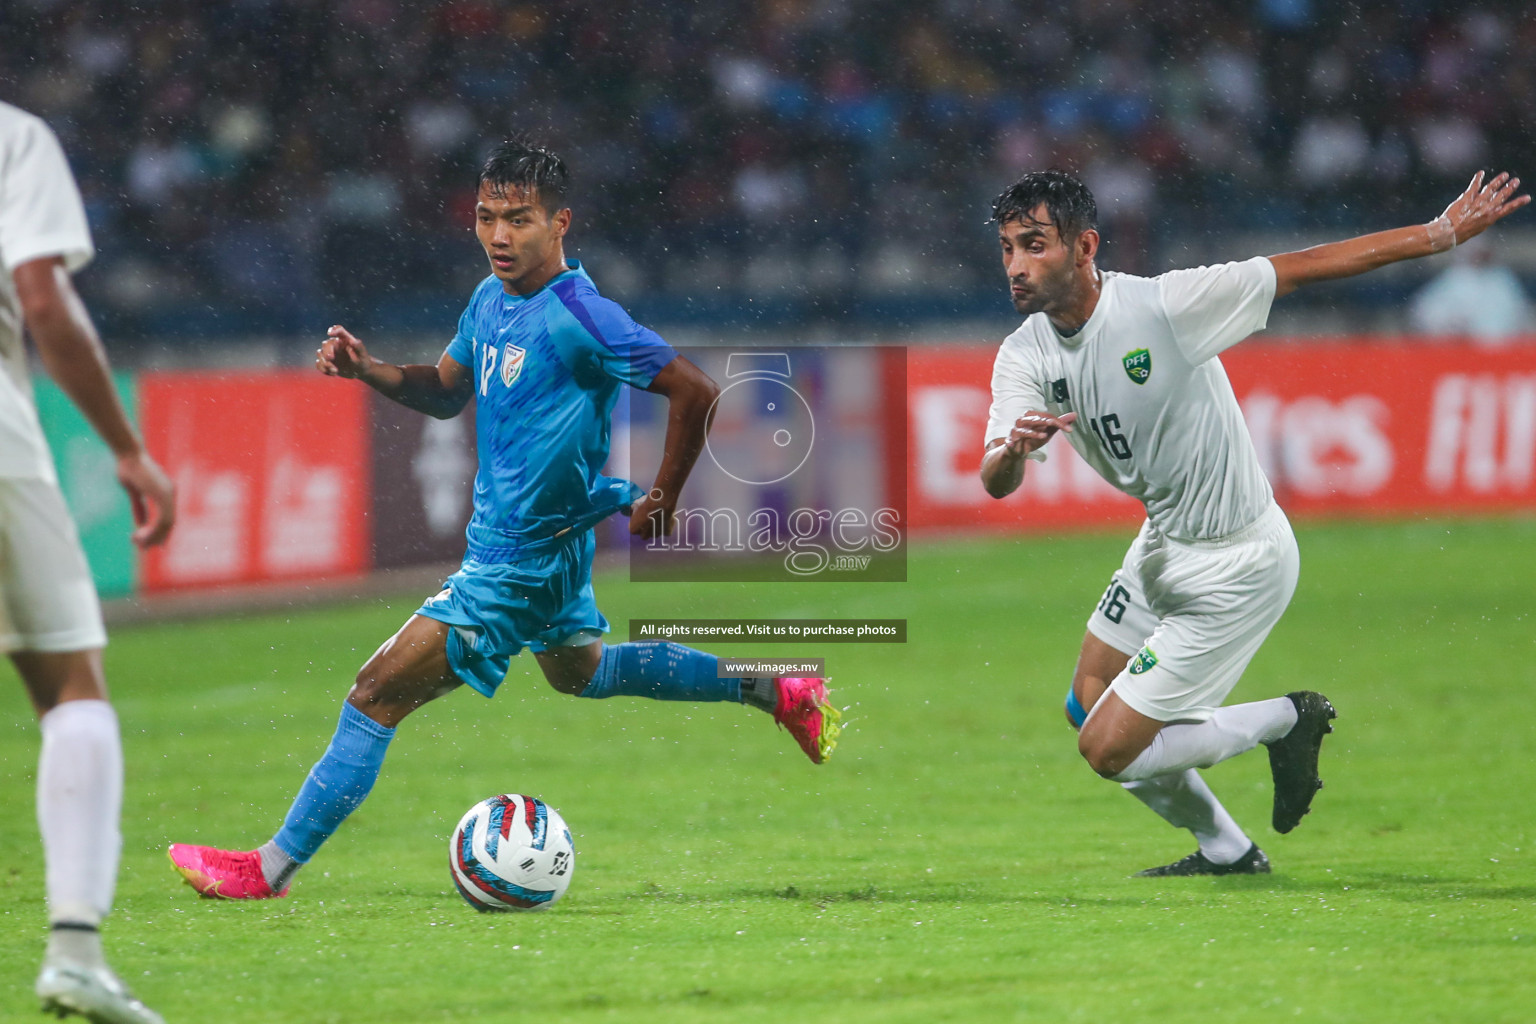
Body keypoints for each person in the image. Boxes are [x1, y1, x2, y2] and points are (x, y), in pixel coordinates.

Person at [168, 140, 840, 900]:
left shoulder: (583, 315)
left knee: (374, 693)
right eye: (486, 218)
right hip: (550, 544)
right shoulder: (489, 300)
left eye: (518, 220)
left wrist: (665, 497)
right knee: (583, 672)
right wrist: (369, 370)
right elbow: (446, 389)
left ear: (560, 224)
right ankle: (773, 690)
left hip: (517, 562)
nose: (498, 236)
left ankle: (269, 870)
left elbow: (695, 390)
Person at [981, 168, 1527, 875]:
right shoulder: (1024, 352)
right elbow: (995, 476)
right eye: (1006, 248)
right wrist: (1015, 452)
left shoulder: (1165, 308)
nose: (1017, 266)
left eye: (1034, 245)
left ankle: (1286, 721)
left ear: (1085, 247)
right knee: (1085, 706)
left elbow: (1301, 269)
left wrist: (1438, 234)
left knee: (1106, 749)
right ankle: (1228, 851)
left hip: (1239, 560)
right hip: (1164, 542)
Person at [1, 101, 176, 1023]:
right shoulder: (15, 137)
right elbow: (40, 298)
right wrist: (126, 445)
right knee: (71, 684)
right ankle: (73, 949)